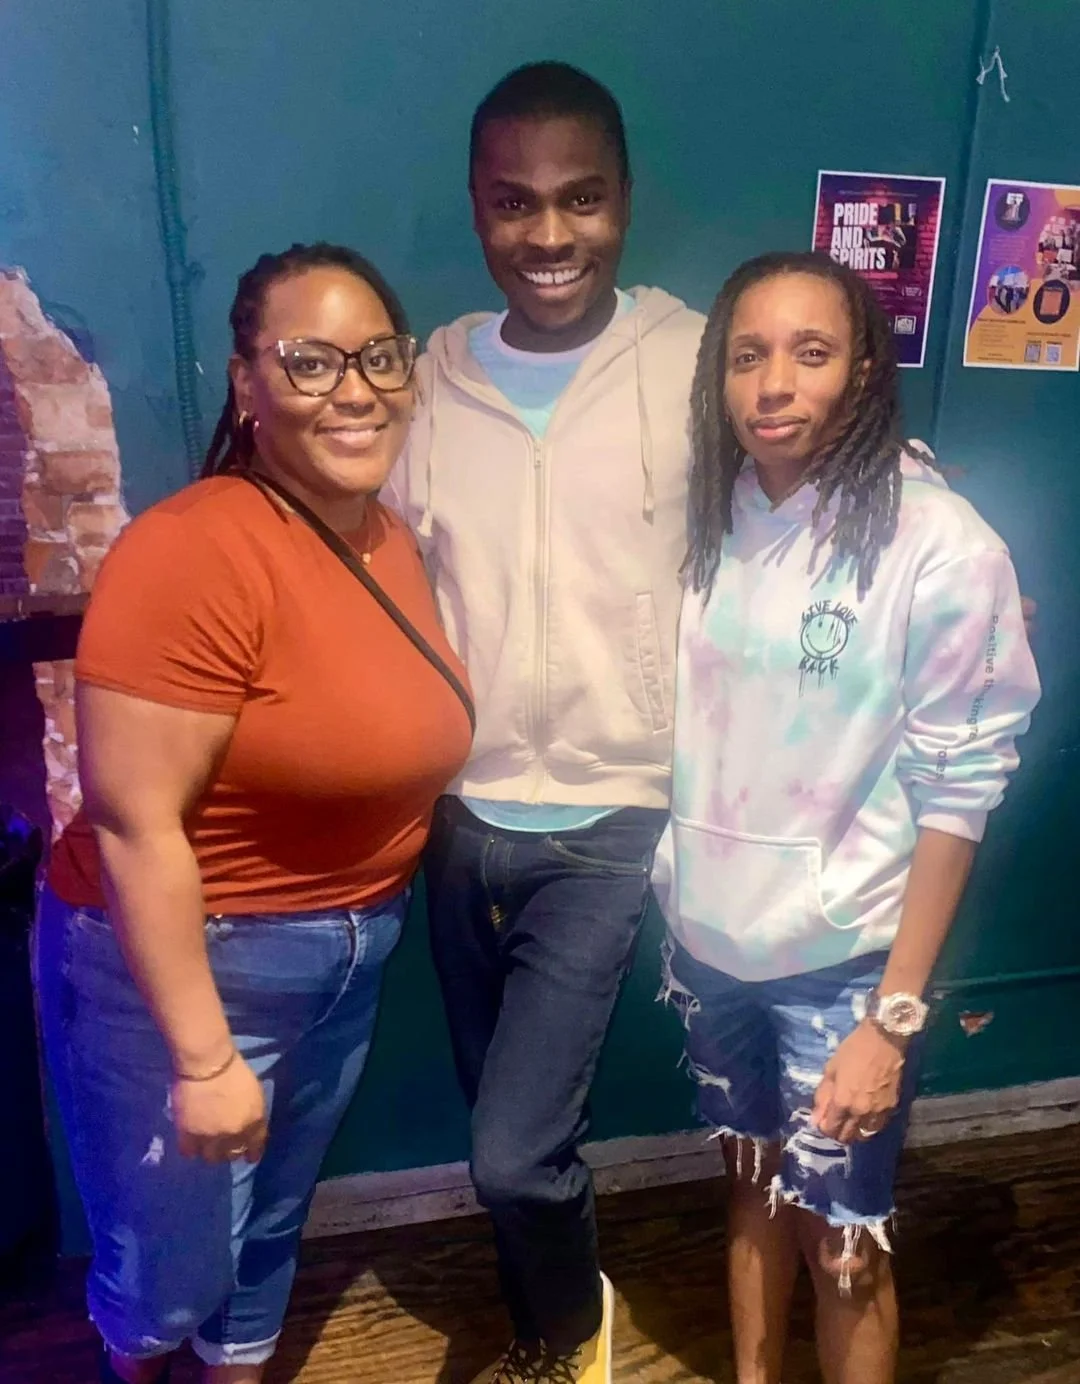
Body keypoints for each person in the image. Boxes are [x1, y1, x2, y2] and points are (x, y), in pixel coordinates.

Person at [34, 242, 473, 1384]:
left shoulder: (391, 537)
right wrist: (199, 1050)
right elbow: (136, 825)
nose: (355, 386)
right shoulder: (193, 550)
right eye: (310, 360)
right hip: (185, 970)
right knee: (171, 1271)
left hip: (347, 952)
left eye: (377, 355)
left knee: (274, 1222)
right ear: (248, 384)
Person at [652, 250, 1040, 1384]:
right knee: (752, 1188)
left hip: (845, 970)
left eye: (810, 353)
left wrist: (892, 1018)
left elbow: (959, 794)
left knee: (843, 1241)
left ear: (865, 370)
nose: (773, 384)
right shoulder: (708, 517)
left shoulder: (941, 544)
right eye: (747, 355)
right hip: (711, 948)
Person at [385, 62, 704, 1384]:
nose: (550, 235)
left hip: (611, 818)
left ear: (625, 203)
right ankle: (536, 1324)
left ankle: (575, 1330)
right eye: (516, 203)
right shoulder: (423, 382)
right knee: (497, 1120)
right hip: (456, 822)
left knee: (512, 1150)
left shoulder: (690, 360)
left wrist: (958, 573)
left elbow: (840, 451)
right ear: (476, 208)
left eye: (581, 199)